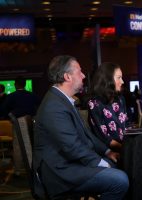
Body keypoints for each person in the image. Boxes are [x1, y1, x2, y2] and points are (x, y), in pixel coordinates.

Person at [33, 55, 129, 199]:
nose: (84, 75)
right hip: (60, 173)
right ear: (67, 77)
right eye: (79, 71)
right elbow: (72, 147)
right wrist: (100, 162)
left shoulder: (62, 100)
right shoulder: (54, 106)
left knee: (121, 166)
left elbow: (86, 134)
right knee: (120, 180)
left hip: (68, 164)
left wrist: (107, 151)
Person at [87, 62, 127, 152]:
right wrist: (127, 149)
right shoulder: (94, 104)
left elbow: (126, 127)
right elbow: (103, 138)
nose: (122, 81)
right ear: (107, 80)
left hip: (124, 147)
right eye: (119, 78)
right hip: (109, 152)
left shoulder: (120, 99)